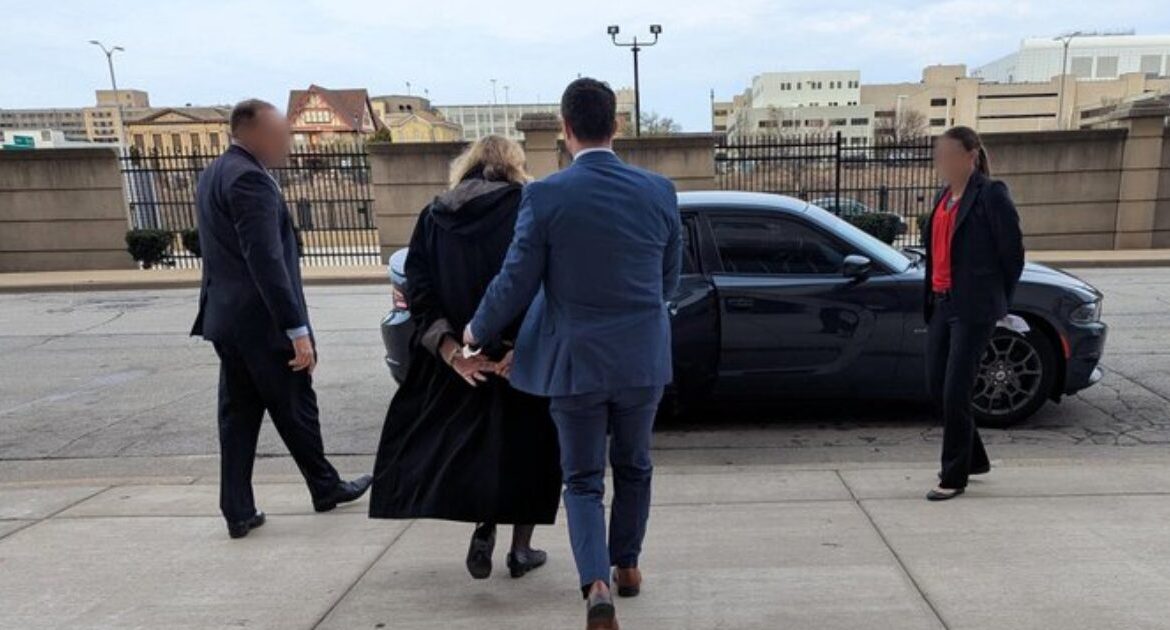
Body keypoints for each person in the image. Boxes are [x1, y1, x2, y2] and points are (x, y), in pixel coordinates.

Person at [463, 78, 682, 630]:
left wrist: (476, 330)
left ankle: (596, 585)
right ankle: (627, 565)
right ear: (617, 125)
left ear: (565, 129)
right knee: (635, 465)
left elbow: (516, 279)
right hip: (642, 359)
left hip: (576, 362)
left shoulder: (546, 196)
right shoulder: (660, 191)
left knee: (582, 480)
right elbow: (668, 280)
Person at [368, 135, 561, 580]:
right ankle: (521, 550)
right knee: (530, 451)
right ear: (514, 166)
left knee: (476, 449)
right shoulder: (527, 207)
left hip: (461, 356)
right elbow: (541, 282)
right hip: (516, 353)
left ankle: (484, 526)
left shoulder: (434, 216)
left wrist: (453, 353)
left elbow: (419, 289)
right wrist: (521, 348)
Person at [191, 99, 371, 538]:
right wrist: (296, 330)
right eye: (280, 134)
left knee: (239, 416)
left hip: (228, 320)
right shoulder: (249, 179)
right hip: (262, 323)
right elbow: (266, 261)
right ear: (252, 133)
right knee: (295, 405)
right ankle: (325, 487)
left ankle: (239, 508)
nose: (287, 142)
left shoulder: (216, 172)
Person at [923, 126, 1024, 501]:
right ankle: (974, 458)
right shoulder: (944, 196)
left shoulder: (991, 194)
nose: (942, 162)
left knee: (956, 390)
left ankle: (954, 476)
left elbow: (1012, 254)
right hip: (941, 301)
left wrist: (997, 301)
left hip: (973, 307)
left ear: (971, 156)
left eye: (949, 155)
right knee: (937, 385)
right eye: (939, 155)